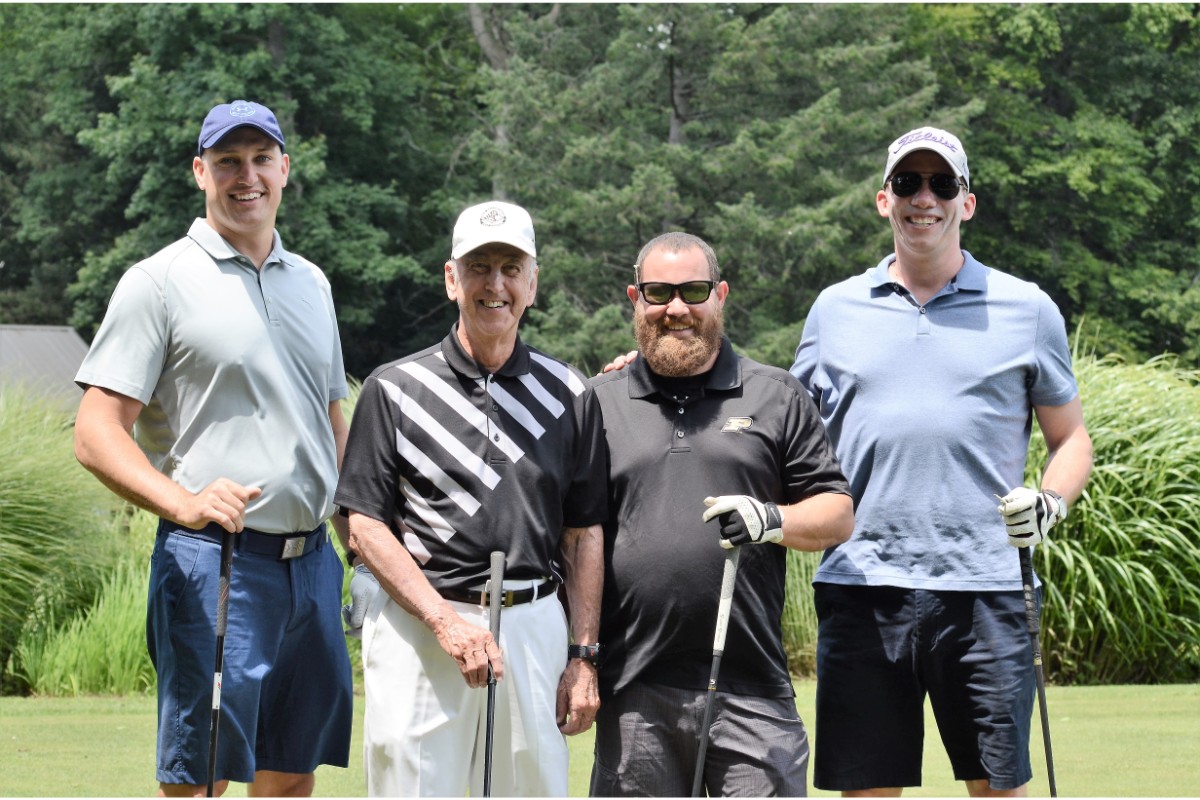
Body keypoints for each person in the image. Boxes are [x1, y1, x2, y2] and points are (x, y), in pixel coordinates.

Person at [789, 126, 1094, 796]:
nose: (922, 198)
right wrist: (670, 376)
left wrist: (1051, 503)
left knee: (996, 788)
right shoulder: (834, 310)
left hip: (987, 586)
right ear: (882, 200)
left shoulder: (1027, 308)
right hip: (862, 583)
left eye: (940, 184)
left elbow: (1071, 439)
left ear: (967, 202)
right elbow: (780, 427)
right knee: (867, 789)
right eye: (907, 183)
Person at [73, 100, 353, 797]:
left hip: (312, 564)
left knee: (290, 774)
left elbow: (329, 416)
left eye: (261, 160)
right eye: (228, 161)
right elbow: (95, 429)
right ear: (201, 172)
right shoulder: (158, 282)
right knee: (199, 779)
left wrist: (362, 535)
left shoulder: (312, 282)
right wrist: (184, 501)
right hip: (218, 563)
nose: (246, 177)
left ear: (285, 169)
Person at [334, 200, 607, 796]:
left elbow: (584, 534)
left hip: (534, 625)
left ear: (532, 284)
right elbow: (364, 525)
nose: (496, 283)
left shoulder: (569, 392)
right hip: (422, 629)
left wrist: (583, 656)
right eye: (479, 266)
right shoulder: (395, 387)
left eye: (511, 267)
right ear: (451, 278)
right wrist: (445, 623)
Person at [588, 232, 855, 796]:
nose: (676, 308)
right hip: (635, 689)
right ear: (635, 298)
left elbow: (836, 514)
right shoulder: (597, 401)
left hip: (751, 688)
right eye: (659, 292)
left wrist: (771, 518)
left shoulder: (775, 394)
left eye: (694, 290)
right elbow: (572, 535)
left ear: (721, 295)